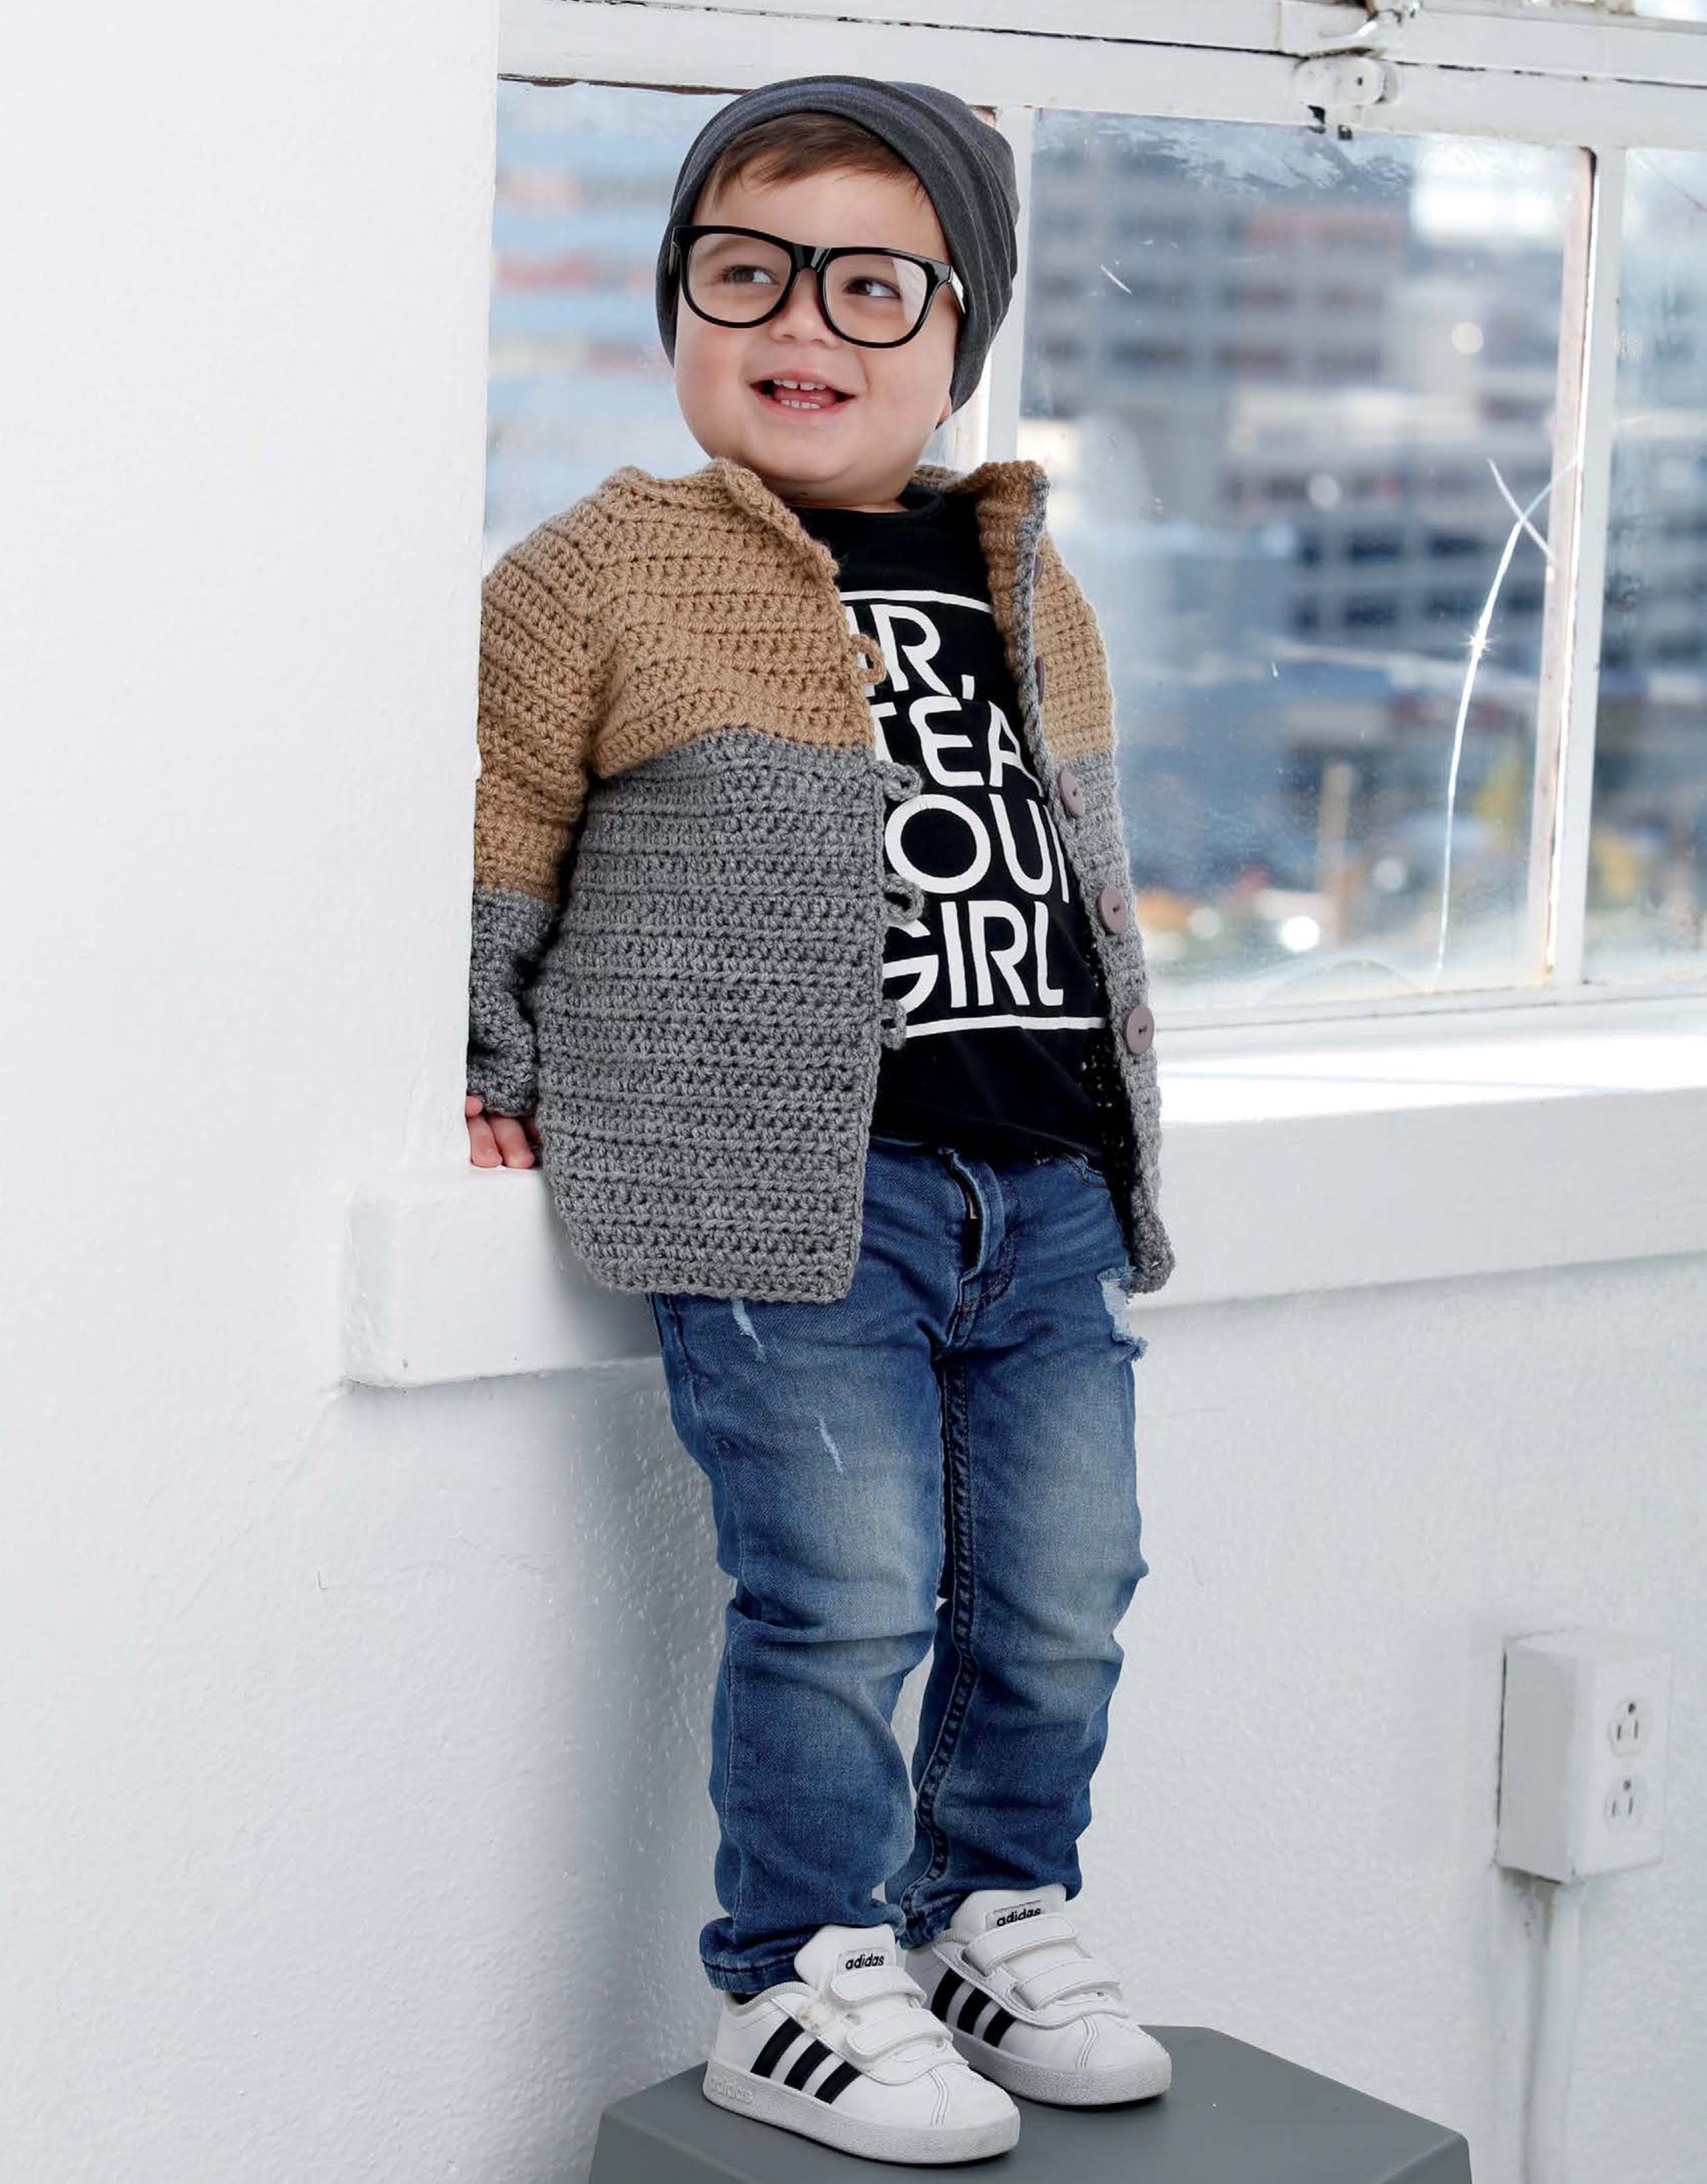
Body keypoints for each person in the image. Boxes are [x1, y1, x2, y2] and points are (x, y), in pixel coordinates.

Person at [465, 73, 1177, 2167]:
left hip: (1036, 1177)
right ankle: (792, 1972)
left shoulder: (1023, 565)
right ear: (677, 306)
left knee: (1064, 1583)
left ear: (959, 332)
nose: (806, 326)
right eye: (746, 274)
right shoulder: (597, 573)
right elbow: (491, 839)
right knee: (844, 1593)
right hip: (790, 1182)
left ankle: (988, 1913)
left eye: (874, 287)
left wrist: (1126, 1120)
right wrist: (488, 1063)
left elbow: (1086, 861)